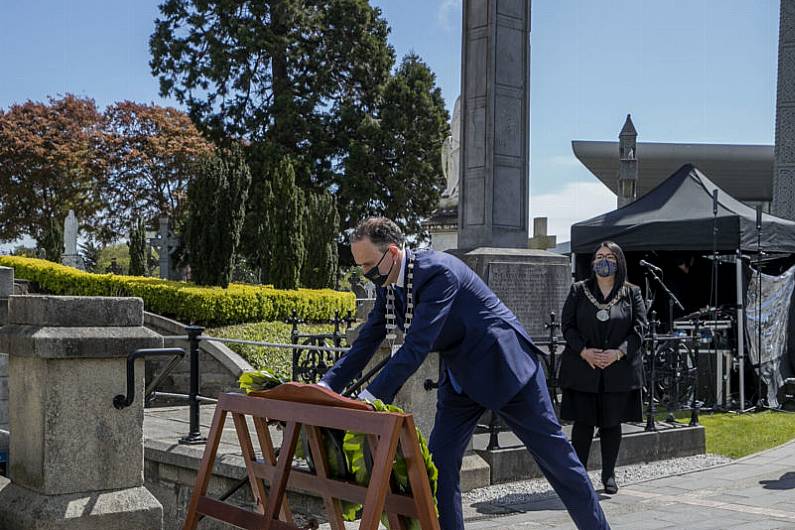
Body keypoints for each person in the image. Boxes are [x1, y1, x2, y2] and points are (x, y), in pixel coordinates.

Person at [319, 217, 609, 530]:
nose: (365, 273)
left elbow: (416, 346)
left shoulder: (436, 272)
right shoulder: (390, 285)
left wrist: (370, 398)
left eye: (368, 264)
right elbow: (365, 343)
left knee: (558, 461)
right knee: (439, 463)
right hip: (460, 377)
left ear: (391, 253)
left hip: (506, 368)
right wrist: (325, 386)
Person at [558, 241, 647, 495]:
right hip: (584, 368)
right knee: (583, 425)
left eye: (609, 256)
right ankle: (579, 476)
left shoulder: (632, 293)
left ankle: (608, 474)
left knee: (611, 424)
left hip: (617, 370)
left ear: (619, 261)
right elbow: (568, 326)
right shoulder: (579, 290)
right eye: (599, 256)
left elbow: (640, 328)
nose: (603, 261)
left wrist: (618, 352)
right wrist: (584, 351)